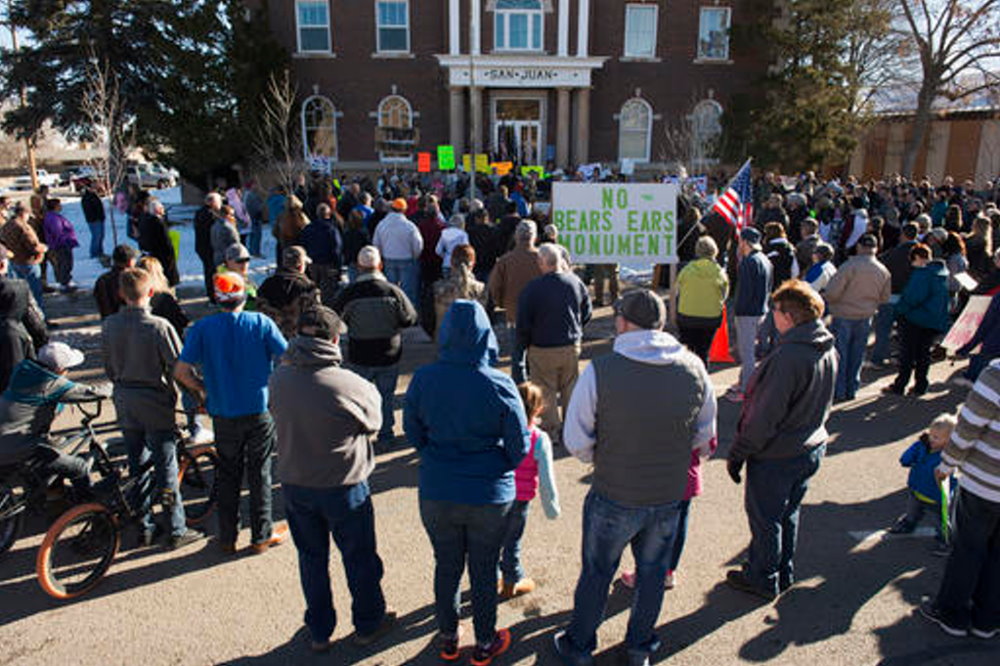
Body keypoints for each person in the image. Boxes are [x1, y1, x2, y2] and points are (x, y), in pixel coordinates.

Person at [555, 289, 716, 666]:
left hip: (614, 490)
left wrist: (605, 457)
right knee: (653, 573)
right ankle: (640, 646)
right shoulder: (694, 367)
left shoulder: (601, 369)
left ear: (624, 322)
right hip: (668, 495)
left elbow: (576, 439)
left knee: (597, 573)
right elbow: (705, 439)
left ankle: (580, 647)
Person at [404, 299, 530, 666]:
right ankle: (486, 641)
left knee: (446, 565)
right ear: (485, 335)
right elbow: (519, 446)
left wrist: (435, 456)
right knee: (484, 568)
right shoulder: (500, 383)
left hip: (438, 488)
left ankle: (448, 637)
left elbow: (413, 432)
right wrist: (497, 467)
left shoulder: (424, 379)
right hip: (489, 492)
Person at [268, 305, 396, 653]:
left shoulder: (278, 378)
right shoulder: (351, 384)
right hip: (344, 485)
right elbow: (374, 424)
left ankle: (319, 630)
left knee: (311, 559)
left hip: (295, 483)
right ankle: (369, 623)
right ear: (336, 338)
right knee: (359, 558)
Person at [725, 280, 836, 600]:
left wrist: (739, 452)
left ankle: (763, 576)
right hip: (810, 445)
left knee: (765, 519)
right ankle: (782, 570)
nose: (771, 316)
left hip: (779, 453)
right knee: (788, 514)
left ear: (787, 315)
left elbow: (765, 415)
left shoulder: (789, 357)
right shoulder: (825, 346)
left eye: (774, 310)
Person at [174, 272, 290, 555]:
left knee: (227, 474)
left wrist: (202, 391)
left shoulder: (202, 328)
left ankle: (228, 537)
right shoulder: (261, 323)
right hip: (259, 410)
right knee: (259, 472)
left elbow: (180, 371)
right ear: (244, 296)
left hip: (222, 412)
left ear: (217, 297)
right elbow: (287, 357)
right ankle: (261, 535)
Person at [102, 268, 201, 549]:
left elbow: (109, 367)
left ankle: (144, 525)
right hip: (154, 403)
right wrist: (197, 395)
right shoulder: (159, 327)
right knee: (166, 469)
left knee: (138, 466)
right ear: (151, 292)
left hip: (124, 400)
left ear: (121, 294)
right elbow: (179, 369)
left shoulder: (109, 325)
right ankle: (175, 526)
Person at [919, 359, 1000, 638]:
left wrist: (946, 464)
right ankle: (987, 618)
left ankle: (951, 613)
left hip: (984, 483)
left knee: (968, 549)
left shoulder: (997, 373)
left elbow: (968, 428)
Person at [332, 246, 417, 446]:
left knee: (358, 397)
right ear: (380, 265)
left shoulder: (349, 293)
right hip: (389, 353)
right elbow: (410, 319)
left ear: (359, 267)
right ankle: (386, 434)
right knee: (386, 396)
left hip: (359, 353)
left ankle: (361, 435)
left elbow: (335, 320)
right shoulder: (393, 291)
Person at [0, 342, 109, 492]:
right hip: (18, 448)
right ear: (59, 369)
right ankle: (87, 508)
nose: (67, 372)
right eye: (66, 369)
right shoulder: (51, 383)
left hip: (6, 440)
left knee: (55, 448)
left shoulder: (22, 372)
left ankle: (54, 495)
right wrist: (118, 384)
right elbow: (95, 392)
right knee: (78, 467)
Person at [516, 243, 592, 446]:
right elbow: (587, 312)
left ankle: (551, 431)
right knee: (571, 386)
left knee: (545, 388)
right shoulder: (576, 283)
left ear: (542, 263)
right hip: (570, 344)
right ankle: (571, 429)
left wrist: (524, 343)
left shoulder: (533, 288)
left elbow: (523, 321)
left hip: (542, 346)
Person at [499, 381, 560, 599]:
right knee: (512, 542)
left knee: (493, 539)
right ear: (539, 408)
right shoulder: (539, 439)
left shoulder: (501, 431)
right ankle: (512, 580)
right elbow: (546, 477)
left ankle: (493, 575)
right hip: (522, 498)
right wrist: (551, 507)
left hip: (498, 494)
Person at [823, 234, 891, 401]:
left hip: (843, 314)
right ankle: (852, 389)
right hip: (866, 315)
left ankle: (839, 390)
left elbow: (832, 293)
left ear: (859, 246)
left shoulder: (849, 266)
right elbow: (884, 297)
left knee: (841, 354)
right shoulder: (882, 270)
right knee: (857, 354)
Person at [884, 244, 950, 396]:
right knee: (923, 354)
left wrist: (898, 312)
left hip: (914, 319)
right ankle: (921, 386)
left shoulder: (922, 274)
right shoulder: (941, 274)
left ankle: (900, 385)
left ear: (918, 258)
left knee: (907, 354)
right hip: (932, 320)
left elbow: (912, 298)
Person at [887, 413, 957, 550]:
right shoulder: (921, 446)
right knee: (912, 511)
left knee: (942, 522)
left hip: (937, 496)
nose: (931, 439)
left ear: (949, 440)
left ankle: (946, 541)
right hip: (917, 488)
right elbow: (906, 459)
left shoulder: (950, 456)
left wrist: (950, 491)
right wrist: (909, 457)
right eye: (931, 434)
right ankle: (908, 524)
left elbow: (953, 478)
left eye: (936, 437)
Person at [488, 220, 543, 385]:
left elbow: (494, 287)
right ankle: (537, 390)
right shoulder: (542, 258)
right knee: (538, 356)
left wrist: (502, 303)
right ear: (534, 237)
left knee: (517, 357)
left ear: (516, 237)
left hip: (514, 314)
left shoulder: (505, 260)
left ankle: (521, 391)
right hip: (540, 315)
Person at [728, 227, 773, 403]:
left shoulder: (748, 262)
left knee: (747, 354)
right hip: (760, 310)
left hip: (748, 312)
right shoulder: (765, 260)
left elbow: (744, 292)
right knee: (749, 351)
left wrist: (737, 311)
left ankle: (746, 389)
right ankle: (743, 382)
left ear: (744, 242)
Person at [0, 244, 48, 391]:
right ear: (2, 265)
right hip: (13, 351)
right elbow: (35, 321)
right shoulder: (19, 288)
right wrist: (43, 346)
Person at [676, 235, 729, 365]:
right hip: (710, 318)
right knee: (703, 351)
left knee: (686, 351)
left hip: (686, 317)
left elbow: (678, 290)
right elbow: (724, 295)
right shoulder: (720, 273)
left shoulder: (686, 270)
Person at [872, 222, 920, 367]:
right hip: (910, 298)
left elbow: (879, 263)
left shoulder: (895, 252)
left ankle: (878, 359)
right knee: (906, 332)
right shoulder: (922, 252)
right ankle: (903, 358)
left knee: (883, 329)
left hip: (891, 295)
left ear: (903, 235)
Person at [258, 246, 320, 340]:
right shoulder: (308, 287)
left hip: (271, 339)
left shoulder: (266, 285)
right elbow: (315, 317)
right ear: (300, 265)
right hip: (299, 343)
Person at [372, 197, 423, 305]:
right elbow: (418, 245)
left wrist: (380, 257)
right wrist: (414, 256)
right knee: (408, 292)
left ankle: (391, 314)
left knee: (390, 291)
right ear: (404, 210)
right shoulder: (410, 226)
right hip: (407, 260)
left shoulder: (382, 224)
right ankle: (410, 315)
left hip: (388, 259)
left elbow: (376, 243)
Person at [0, 205, 48, 315]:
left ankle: (25, 316)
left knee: (21, 293)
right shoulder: (23, 227)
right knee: (35, 293)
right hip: (28, 262)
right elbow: (33, 246)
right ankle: (39, 317)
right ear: (24, 214)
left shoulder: (7, 225)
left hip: (14, 261)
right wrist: (44, 248)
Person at [431, 244, 485, 340]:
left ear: (451, 262)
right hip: (474, 340)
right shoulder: (482, 289)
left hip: (446, 340)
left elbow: (428, 318)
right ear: (474, 263)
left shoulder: (437, 288)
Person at [298, 203, 343, 306]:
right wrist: (338, 266)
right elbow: (337, 248)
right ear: (329, 214)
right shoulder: (332, 229)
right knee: (328, 293)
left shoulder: (308, 228)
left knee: (314, 290)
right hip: (328, 264)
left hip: (312, 264)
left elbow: (303, 244)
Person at [137, 198, 179, 286]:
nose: (163, 210)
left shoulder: (145, 220)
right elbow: (166, 241)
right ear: (157, 210)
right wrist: (171, 255)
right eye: (162, 208)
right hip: (162, 255)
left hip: (151, 253)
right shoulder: (158, 223)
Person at [42, 199, 79, 292]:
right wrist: (65, 241)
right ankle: (65, 282)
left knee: (65, 263)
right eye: (59, 205)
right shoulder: (53, 218)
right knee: (65, 263)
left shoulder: (53, 216)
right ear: (55, 206)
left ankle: (65, 281)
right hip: (62, 244)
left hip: (62, 243)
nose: (61, 206)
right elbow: (57, 231)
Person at [94, 244, 140, 319]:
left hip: (108, 322)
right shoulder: (132, 278)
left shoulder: (102, 280)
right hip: (130, 321)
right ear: (130, 262)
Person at [194, 192, 223, 302]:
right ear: (213, 202)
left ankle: (211, 293)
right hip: (209, 247)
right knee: (212, 272)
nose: (220, 204)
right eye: (219, 202)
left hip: (202, 247)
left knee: (208, 271)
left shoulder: (199, 212)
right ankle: (213, 295)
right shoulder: (210, 215)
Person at [216, 243, 258, 311]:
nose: (244, 264)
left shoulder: (239, 274)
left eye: (247, 260)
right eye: (240, 261)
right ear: (228, 261)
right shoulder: (225, 280)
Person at [81, 183, 106, 260]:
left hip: (100, 218)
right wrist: (95, 217)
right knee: (96, 237)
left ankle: (100, 251)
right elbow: (88, 210)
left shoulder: (95, 195)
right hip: (94, 220)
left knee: (101, 236)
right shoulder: (87, 197)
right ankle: (94, 253)